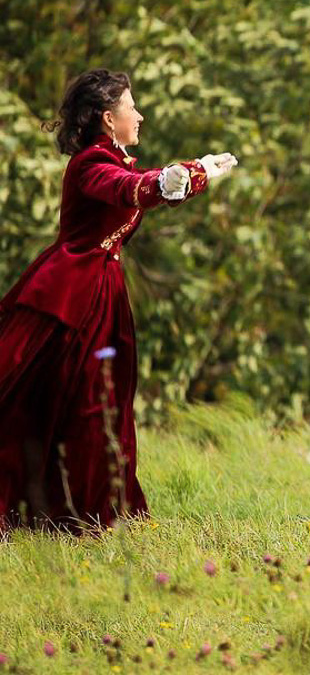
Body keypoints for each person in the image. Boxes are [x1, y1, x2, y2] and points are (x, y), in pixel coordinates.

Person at [0, 69, 237, 533]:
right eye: (132, 107)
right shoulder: (91, 163)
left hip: (99, 289)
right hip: (68, 292)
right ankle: (79, 513)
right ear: (109, 119)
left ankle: (81, 511)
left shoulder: (116, 159)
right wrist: (189, 172)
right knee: (50, 395)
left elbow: (143, 185)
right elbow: (131, 189)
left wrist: (192, 173)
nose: (140, 115)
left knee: (96, 399)